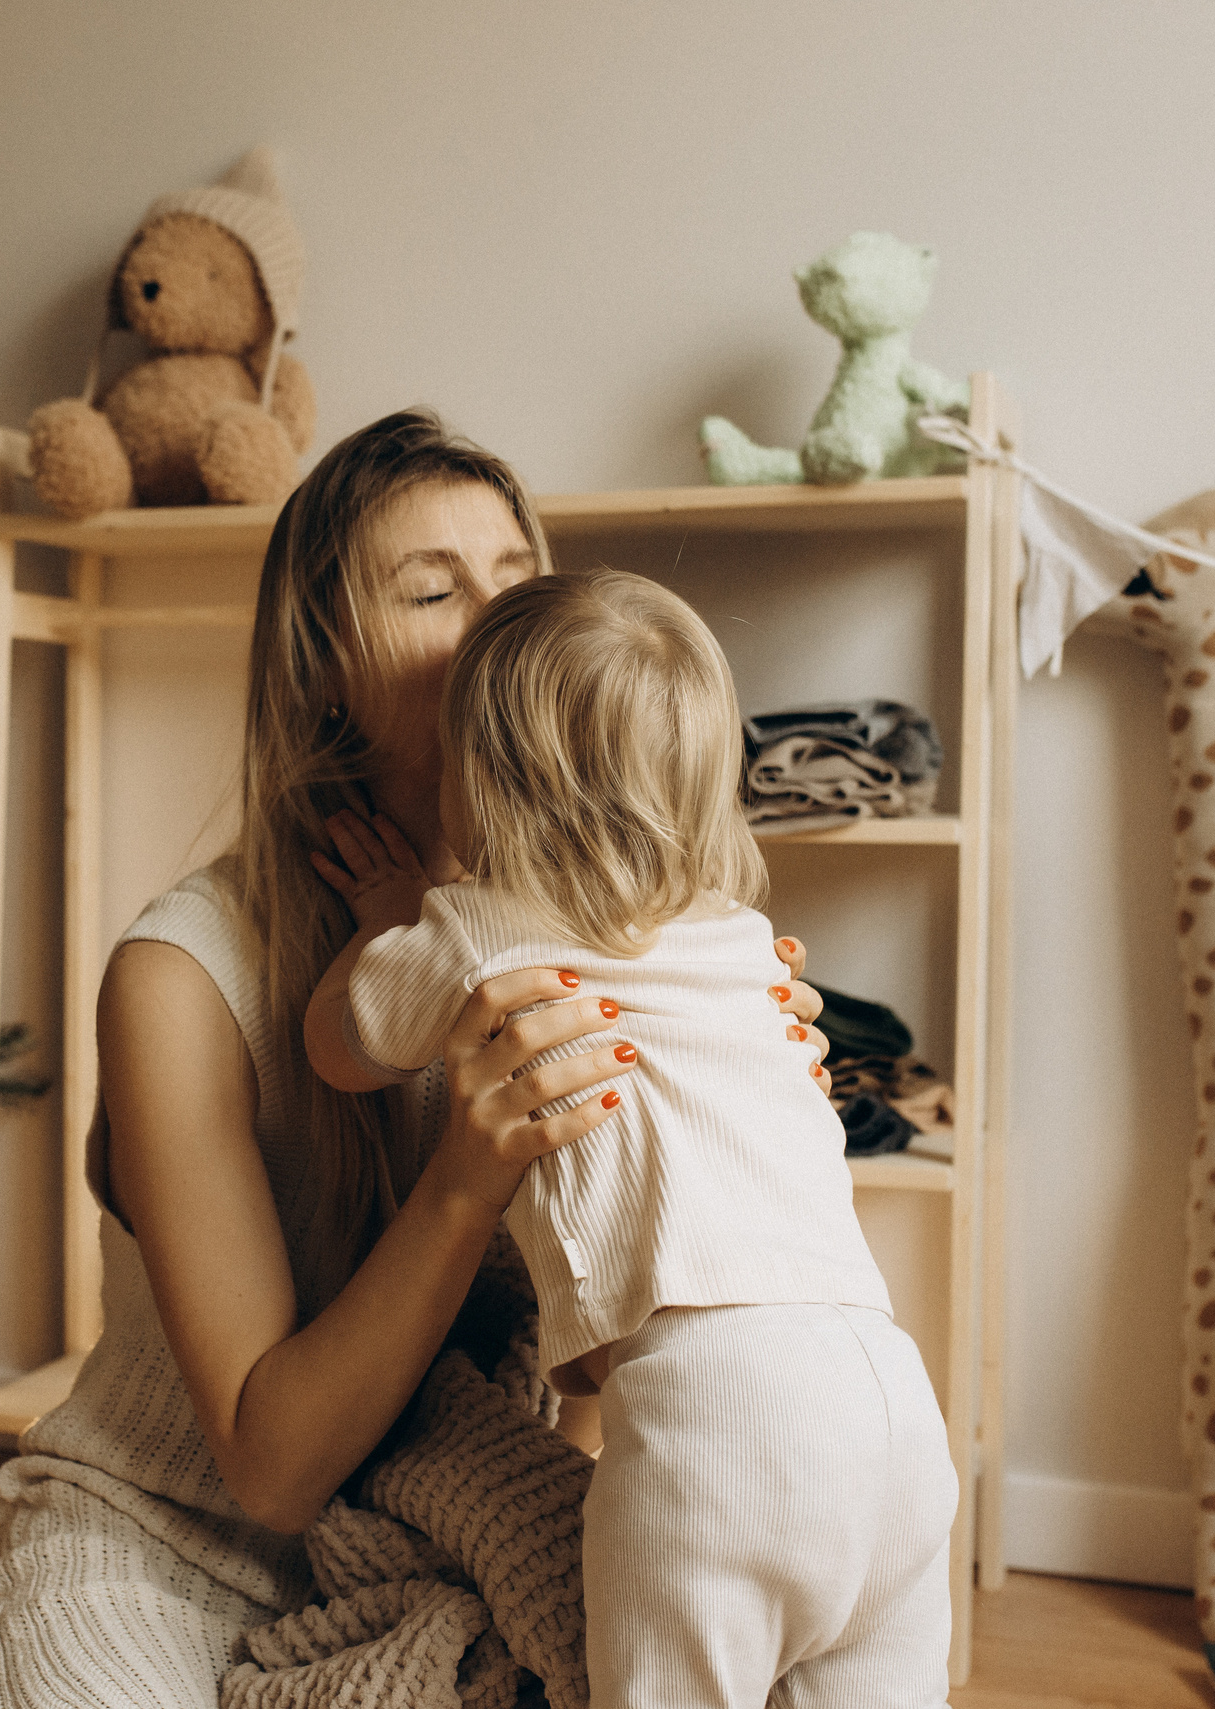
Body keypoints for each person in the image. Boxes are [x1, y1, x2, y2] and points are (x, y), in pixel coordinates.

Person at [0, 412, 831, 1708]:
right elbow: (270, 1471)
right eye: (431, 587)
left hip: (443, 1533)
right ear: (325, 665)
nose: (492, 614)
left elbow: (597, 1381)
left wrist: (730, 1139)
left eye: (514, 575)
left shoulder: (614, 943)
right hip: (169, 1539)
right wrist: (465, 1179)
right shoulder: (182, 979)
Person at [304, 567, 953, 1709]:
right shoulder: (747, 941)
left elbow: (338, 1048)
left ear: (480, 785)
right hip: (890, 1403)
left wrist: (385, 920)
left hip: (722, 1414)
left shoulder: (478, 932)